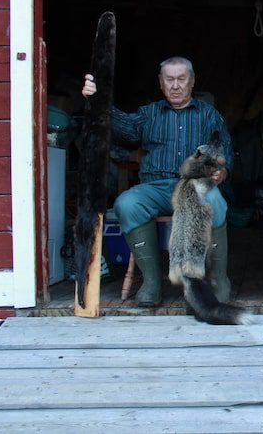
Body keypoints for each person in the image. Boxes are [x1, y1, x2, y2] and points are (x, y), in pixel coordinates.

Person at [82, 56, 233, 307]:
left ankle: (218, 279)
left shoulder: (209, 116)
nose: (175, 85)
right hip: (155, 187)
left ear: (192, 82)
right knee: (127, 203)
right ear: (160, 83)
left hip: (193, 187)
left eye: (181, 79)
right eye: (169, 79)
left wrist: (222, 171)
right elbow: (123, 127)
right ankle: (151, 282)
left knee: (215, 201)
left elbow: (224, 152)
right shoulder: (148, 114)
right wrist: (97, 99)